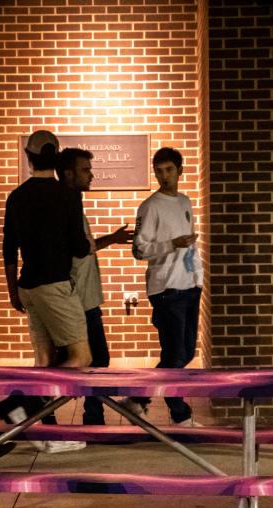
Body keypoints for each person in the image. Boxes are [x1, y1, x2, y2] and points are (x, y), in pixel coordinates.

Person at [2, 130, 93, 452]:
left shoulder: (16, 197)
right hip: (55, 285)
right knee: (81, 356)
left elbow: (8, 250)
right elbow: (79, 247)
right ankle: (21, 403)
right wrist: (91, 243)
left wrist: (13, 292)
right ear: (56, 159)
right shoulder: (67, 195)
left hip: (28, 286)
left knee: (43, 359)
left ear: (28, 157)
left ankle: (44, 434)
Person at [120, 147, 203, 427]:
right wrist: (172, 244)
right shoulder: (150, 206)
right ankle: (180, 414)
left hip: (190, 286)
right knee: (174, 354)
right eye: (159, 171)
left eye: (169, 170)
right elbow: (139, 250)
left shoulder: (185, 201)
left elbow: (188, 244)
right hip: (167, 289)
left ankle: (137, 399)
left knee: (185, 353)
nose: (163, 176)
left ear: (180, 171)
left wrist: (197, 275)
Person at [56, 147, 132, 424]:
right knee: (91, 359)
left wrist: (111, 239)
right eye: (85, 170)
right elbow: (75, 250)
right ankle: (26, 402)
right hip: (76, 299)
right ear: (68, 173)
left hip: (85, 298)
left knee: (90, 360)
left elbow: (83, 248)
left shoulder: (73, 203)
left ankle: (92, 416)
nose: (92, 175)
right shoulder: (65, 205)